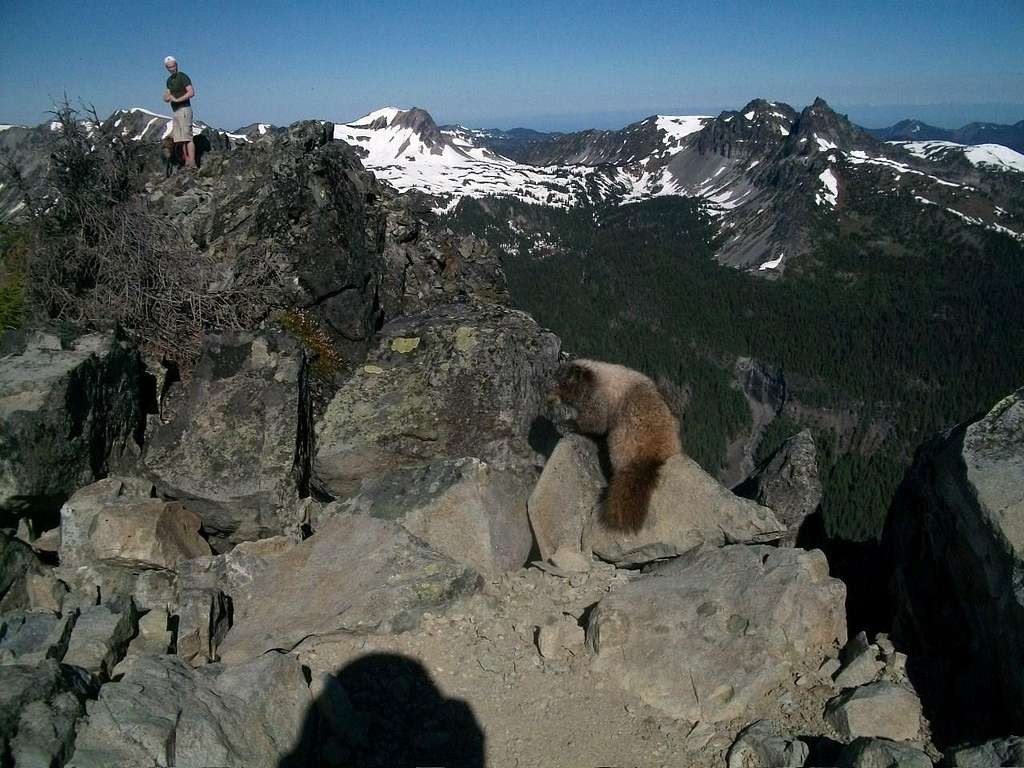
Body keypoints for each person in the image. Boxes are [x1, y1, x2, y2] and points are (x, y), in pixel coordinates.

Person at [163, 56, 196, 169]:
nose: (172, 69)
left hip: (184, 109)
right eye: (170, 67)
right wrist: (166, 98)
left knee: (187, 137)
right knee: (180, 139)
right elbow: (167, 94)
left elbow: (191, 92)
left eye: (174, 66)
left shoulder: (183, 76)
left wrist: (177, 99)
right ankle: (186, 160)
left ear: (177, 65)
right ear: (166, 68)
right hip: (175, 111)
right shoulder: (169, 80)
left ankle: (192, 162)